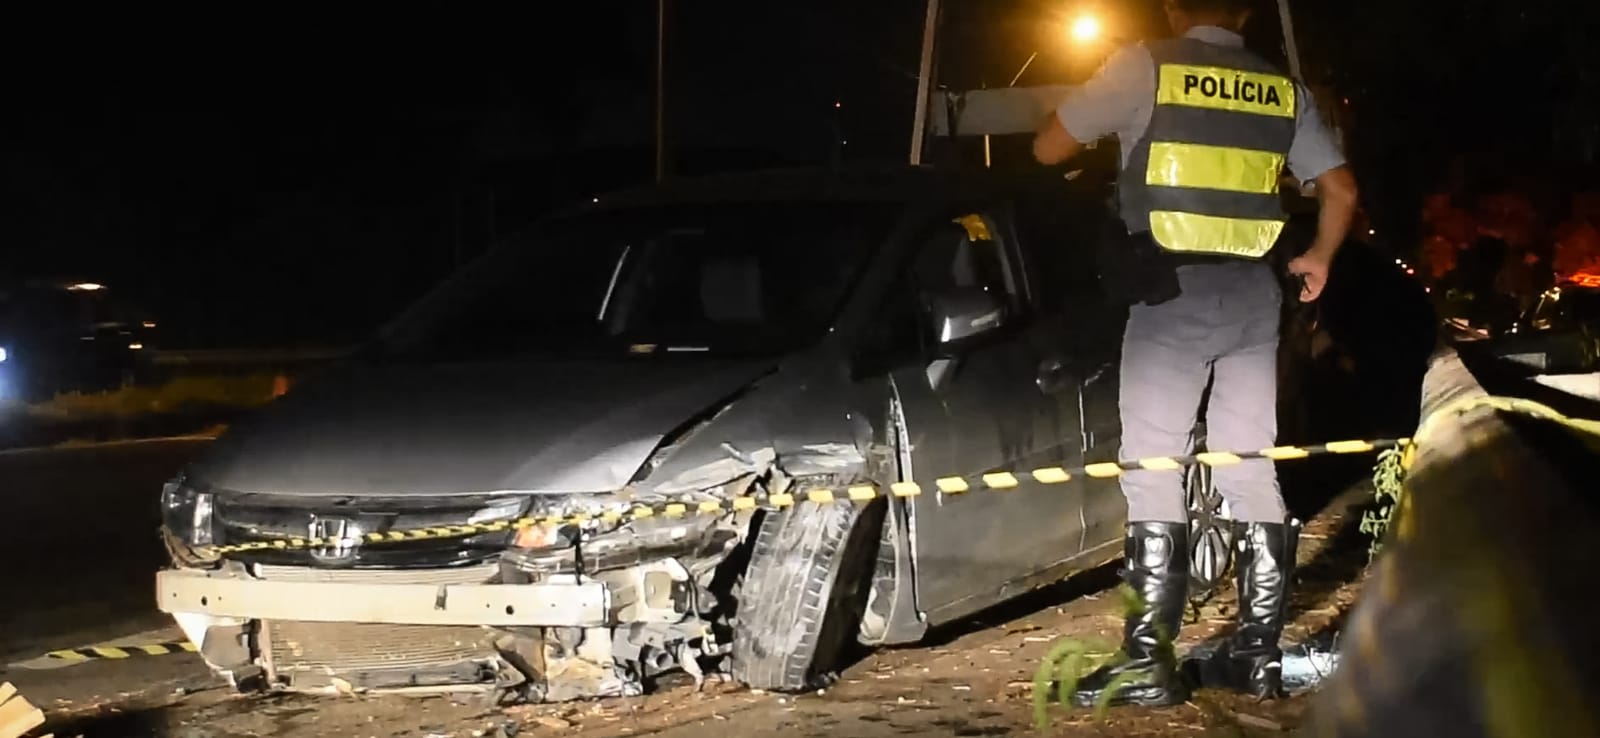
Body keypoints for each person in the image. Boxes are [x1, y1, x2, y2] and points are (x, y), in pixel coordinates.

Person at [1032, 0, 1359, 708]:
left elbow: (1048, 148)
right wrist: (1321, 257)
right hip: (1254, 296)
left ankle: (1148, 662)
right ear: (1244, 12)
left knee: (1153, 469)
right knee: (1249, 467)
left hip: (1168, 292)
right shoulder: (1279, 89)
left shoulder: (1144, 66)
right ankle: (1257, 656)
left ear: (1172, 8)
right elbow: (1340, 188)